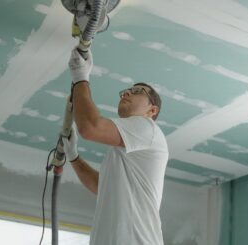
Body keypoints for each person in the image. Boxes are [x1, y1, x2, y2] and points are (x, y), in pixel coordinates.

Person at [62, 47, 169, 245]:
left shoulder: (148, 128)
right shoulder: (123, 153)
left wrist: (80, 78)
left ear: (152, 110)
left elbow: (90, 127)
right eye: (127, 90)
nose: (127, 92)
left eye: (137, 91)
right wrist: (74, 157)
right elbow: (100, 186)